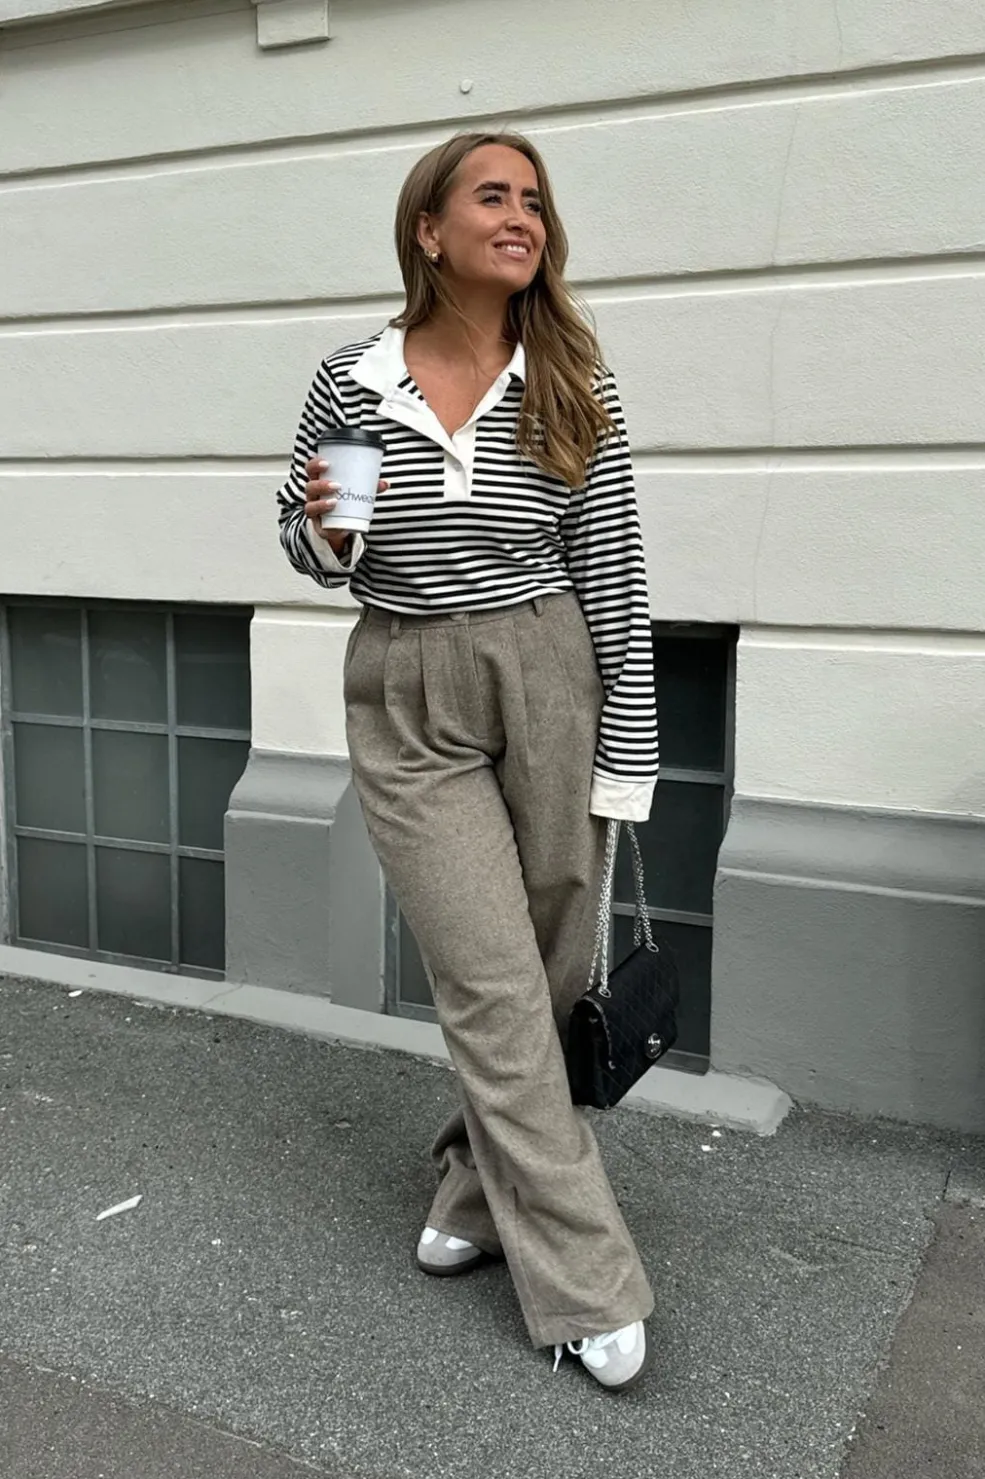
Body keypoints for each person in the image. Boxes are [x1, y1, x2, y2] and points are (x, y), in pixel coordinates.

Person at [276, 132, 660, 1392]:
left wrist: (629, 741)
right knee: (489, 979)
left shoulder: (571, 376)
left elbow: (612, 563)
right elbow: (307, 541)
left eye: (534, 201)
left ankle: (470, 1187)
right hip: (407, 684)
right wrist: (326, 535)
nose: (521, 216)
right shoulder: (352, 380)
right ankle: (588, 1278)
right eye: (492, 196)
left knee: (542, 972)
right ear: (428, 230)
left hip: (549, 670)